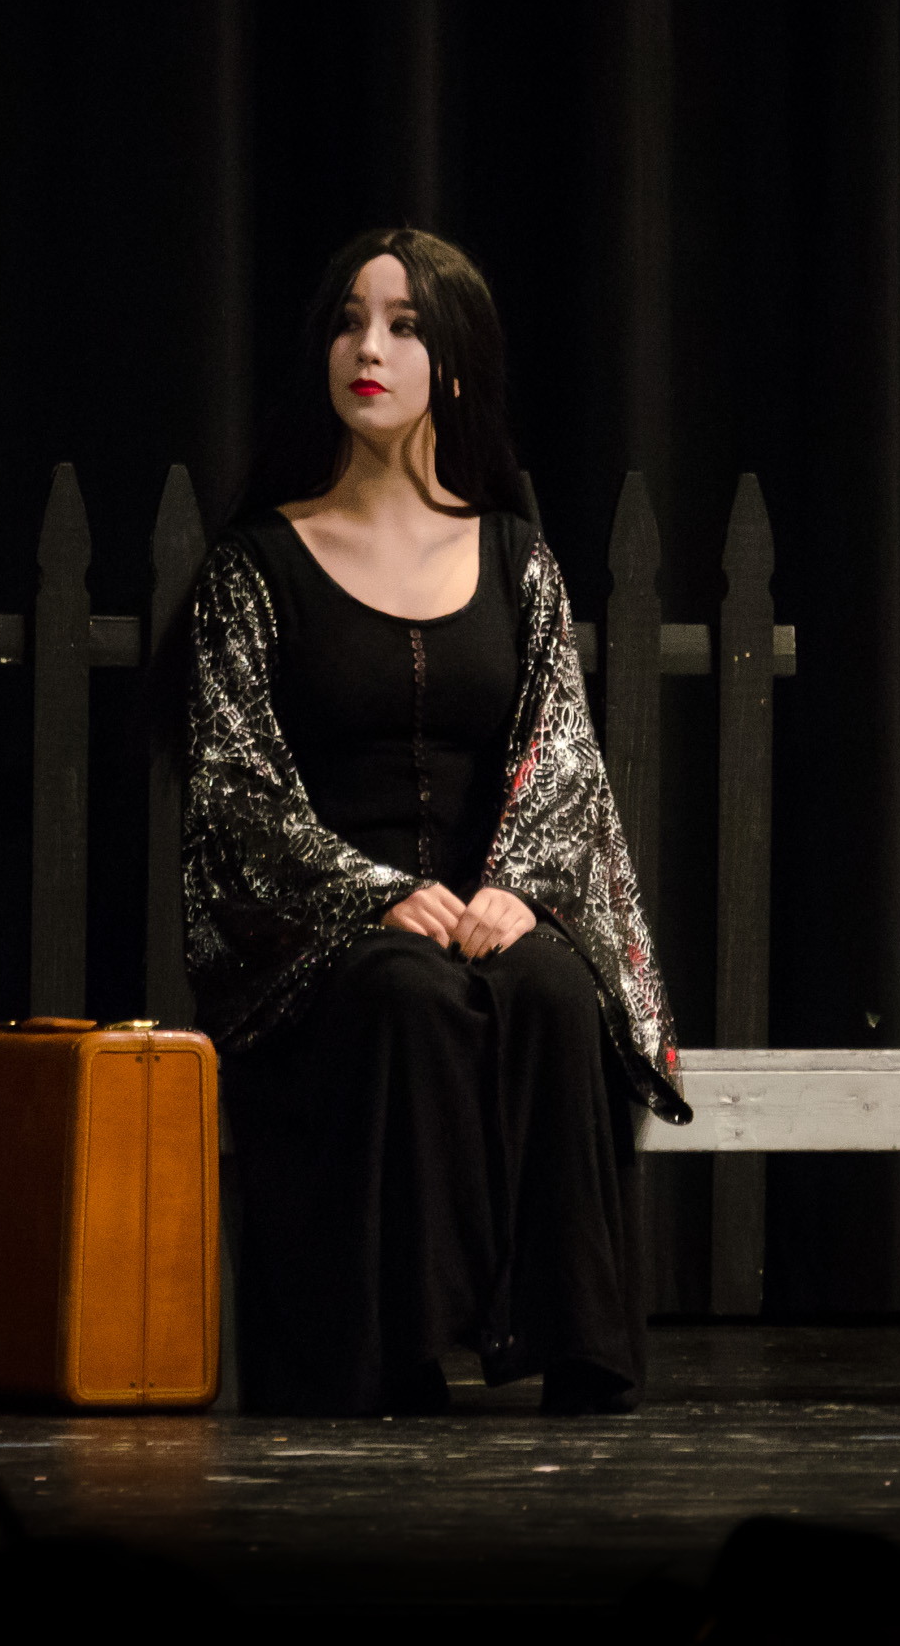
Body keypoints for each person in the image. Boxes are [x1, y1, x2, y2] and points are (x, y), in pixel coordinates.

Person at [181, 226, 690, 1417]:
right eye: (349, 322)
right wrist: (370, 893)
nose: (368, 348)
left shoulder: (515, 558)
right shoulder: (253, 567)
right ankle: (394, 1352)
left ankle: (579, 1347)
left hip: (483, 911)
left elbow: (560, 756)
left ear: (453, 364)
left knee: (551, 986)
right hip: (324, 945)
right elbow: (235, 791)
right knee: (402, 992)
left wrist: (518, 884)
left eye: (403, 326)